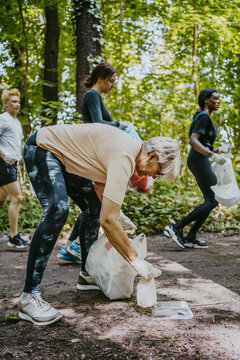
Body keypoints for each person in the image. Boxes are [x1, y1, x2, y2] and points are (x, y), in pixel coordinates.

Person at [19, 122, 181, 325]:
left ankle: (88, 274)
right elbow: (108, 220)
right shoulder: (124, 156)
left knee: (93, 209)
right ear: (152, 156)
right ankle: (29, 297)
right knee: (58, 210)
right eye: (158, 172)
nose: (153, 177)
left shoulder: (127, 153)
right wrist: (136, 260)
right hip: (43, 147)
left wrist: (118, 215)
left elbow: (99, 185)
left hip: (65, 160)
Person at [58, 62, 127, 264]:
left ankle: (71, 246)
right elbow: (98, 124)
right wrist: (121, 125)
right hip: (88, 153)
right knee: (93, 205)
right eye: (111, 81)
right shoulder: (92, 95)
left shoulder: (97, 97)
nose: (113, 85)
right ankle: (74, 246)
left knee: (93, 205)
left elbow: (105, 124)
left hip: (94, 152)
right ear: (101, 79)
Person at [164, 88, 231, 249]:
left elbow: (203, 143)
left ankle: (191, 236)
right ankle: (176, 227)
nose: (218, 101)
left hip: (200, 158)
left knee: (210, 200)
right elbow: (193, 141)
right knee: (213, 199)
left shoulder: (204, 116)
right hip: (199, 159)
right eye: (215, 98)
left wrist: (218, 150)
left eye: (219, 99)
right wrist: (211, 154)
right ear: (205, 100)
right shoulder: (203, 116)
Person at [0, 88, 30, 250]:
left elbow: (17, 145)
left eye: (18, 101)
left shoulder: (17, 123)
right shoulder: (2, 119)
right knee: (17, 198)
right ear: (5, 104)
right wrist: (3, 155)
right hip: (2, 164)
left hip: (13, 165)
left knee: (1, 201)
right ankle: (13, 237)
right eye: (13, 101)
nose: (17, 104)